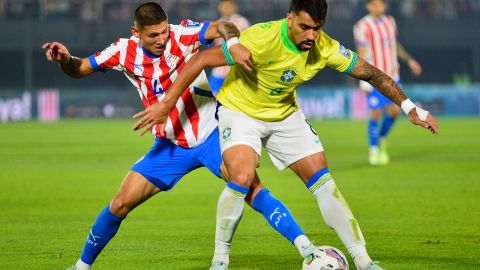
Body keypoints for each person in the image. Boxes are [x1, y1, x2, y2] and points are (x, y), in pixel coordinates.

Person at [133, 0, 439, 269]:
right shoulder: (260, 38)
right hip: (240, 111)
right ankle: (220, 260)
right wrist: (166, 104)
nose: (310, 36)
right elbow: (200, 60)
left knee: (324, 182)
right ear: (290, 18)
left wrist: (410, 107)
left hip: (284, 113)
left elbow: (371, 72)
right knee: (240, 176)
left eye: (317, 28)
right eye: (305, 27)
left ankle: (364, 260)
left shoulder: (325, 47)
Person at [42, 2, 317, 270]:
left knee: (251, 188)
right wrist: (66, 59)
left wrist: (231, 41)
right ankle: (81, 266)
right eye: (153, 35)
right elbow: (79, 69)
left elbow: (224, 25)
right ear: (136, 32)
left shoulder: (183, 34)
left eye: (164, 31)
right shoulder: (121, 51)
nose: (162, 39)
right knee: (120, 202)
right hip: (170, 146)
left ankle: (309, 251)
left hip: (213, 134)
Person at [354, 0, 423, 165]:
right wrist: (363, 80)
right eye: (376, 5)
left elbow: (395, 45)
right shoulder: (362, 26)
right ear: (369, 6)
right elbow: (361, 53)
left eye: (381, 4)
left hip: (393, 75)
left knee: (394, 111)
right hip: (375, 77)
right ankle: (374, 151)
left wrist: (410, 60)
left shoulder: (390, 22)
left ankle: (381, 138)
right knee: (376, 113)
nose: (379, 7)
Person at [209, 0, 250, 95]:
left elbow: (248, 41)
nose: (226, 8)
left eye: (229, 5)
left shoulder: (242, 22)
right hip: (219, 69)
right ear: (219, 7)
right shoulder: (217, 23)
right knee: (212, 98)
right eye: (224, 5)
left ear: (234, 7)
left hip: (236, 67)